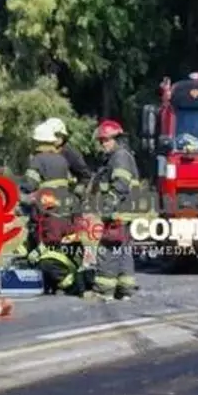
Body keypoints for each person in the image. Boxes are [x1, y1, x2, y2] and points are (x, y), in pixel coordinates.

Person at [20, 122, 83, 296]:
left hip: (46, 214)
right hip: (65, 212)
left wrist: (20, 195)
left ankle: (59, 282)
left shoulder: (38, 160)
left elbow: (29, 184)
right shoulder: (62, 160)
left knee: (42, 248)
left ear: (38, 141)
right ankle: (58, 280)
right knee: (59, 244)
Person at [90, 119, 139, 300]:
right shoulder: (120, 156)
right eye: (101, 141)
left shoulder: (119, 157)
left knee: (108, 249)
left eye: (106, 140)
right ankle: (125, 290)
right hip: (125, 212)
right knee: (123, 250)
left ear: (116, 139)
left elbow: (120, 184)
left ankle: (104, 291)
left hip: (117, 212)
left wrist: (107, 206)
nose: (103, 144)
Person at [43, 117, 91, 191]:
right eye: (53, 135)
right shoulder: (42, 151)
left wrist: (79, 188)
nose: (55, 138)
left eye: (58, 135)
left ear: (63, 136)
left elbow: (85, 175)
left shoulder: (70, 153)